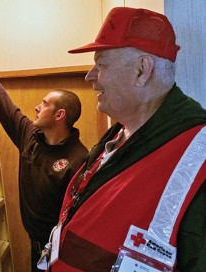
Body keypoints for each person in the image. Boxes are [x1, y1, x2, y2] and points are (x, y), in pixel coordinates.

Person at [49, 7, 206, 272]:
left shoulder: (197, 154)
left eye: (101, 65)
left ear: (141, 70)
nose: (89, 76)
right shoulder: (120, 134)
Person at [0, 33, 88, 271]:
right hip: (36, 247)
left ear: (60, 115)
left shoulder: (79, 159)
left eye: (45, 104)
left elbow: (83, 217)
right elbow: (5, 104)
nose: (38, 107)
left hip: (63, 253)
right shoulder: (30, 138)